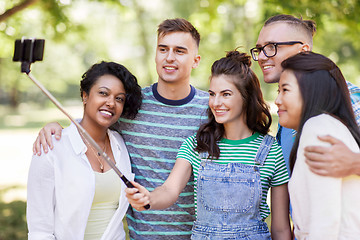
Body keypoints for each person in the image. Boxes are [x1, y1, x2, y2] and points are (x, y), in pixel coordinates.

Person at [32, 18, 208, 239]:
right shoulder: (132, 105)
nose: (169, 57)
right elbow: (95, 121)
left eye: (180, 51)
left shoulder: (211, 109)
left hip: (198, 235)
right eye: (163, 49)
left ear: (196, 60)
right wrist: (55, 126)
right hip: (142, 236)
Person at [126, 51, 291, 239]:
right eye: (212, 94)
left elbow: (280, 228)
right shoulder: (196, 146)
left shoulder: (271, 151)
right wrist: (149, 198)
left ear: (246, 98)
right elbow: (169, 190)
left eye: (226, 94)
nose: (216, 102)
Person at [27, 61, 142, 239]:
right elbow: (39, 229)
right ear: (85, 96)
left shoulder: (121, 144)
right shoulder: (51, 146)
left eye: (119, 98)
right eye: (103, 93)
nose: (111, 103)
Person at [250, 14, 360, 176]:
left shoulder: (347, 97)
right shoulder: (287, 112)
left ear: (303, 50)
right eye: (259, 49)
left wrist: (354, 163)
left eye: (271, 47)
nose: (261, 57)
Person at [275, 51, 360, 239]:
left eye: (285, 90)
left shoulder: (318, 128)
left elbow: (325, 220)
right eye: (278, 91)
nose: (277, 100)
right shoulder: (329, 126)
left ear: (311, 91)